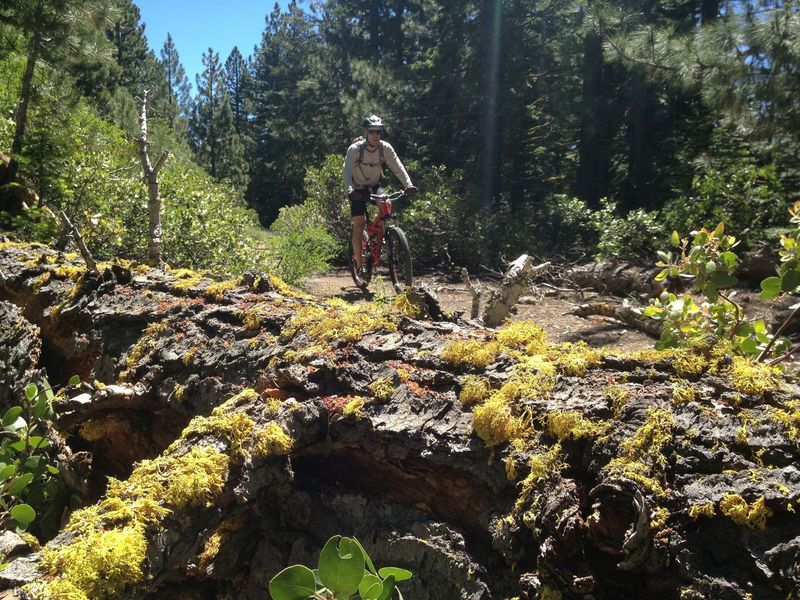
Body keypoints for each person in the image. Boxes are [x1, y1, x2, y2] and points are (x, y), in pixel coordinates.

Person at [343, 115, 416, 277]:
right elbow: (346, 171)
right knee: (359, 224)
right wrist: (350, 190)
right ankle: (360, 265)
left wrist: (408, 185)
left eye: (379, 131)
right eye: (372, 131)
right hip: (357, 188)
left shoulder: (385, 148)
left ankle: (383, 234)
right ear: (366, 132)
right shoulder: (354, 149)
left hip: (374, 185)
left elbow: (398, 166)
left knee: (387, 203)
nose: (376, 135)